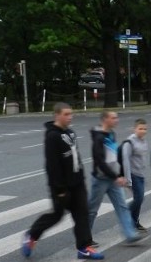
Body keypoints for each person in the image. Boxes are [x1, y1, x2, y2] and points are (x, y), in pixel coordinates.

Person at [21, 102, 104, 260]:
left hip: (77, 183)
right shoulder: (52, 136)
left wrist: (81, 178)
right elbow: (52, 165)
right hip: (61, 187)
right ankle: (32, 235)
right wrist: (60, 190)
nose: (69, 117)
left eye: (71, 114)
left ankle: (84, 247)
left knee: (82, 214)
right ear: (57, 115)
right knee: (57, 216)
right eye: (66, 114)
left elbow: (76, 157)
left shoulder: (71, 133)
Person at [88, 110, 148, 245]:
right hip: (100, 179)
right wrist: (115, 176)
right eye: (113, 118)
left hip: (113, 179)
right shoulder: (99, 137)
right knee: (92, 210)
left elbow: (115, 157)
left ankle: (130, 234)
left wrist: (120, 174)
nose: (117, 120)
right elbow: (99, 161)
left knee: (122, 207)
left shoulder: (111, 134)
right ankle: (84, 238)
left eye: (116, 117)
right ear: (105, 120)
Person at [121, 118, 149, 231]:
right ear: (134, 129)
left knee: (140, 198)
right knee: (139, 198)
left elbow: (142, 157)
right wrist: (128, 179)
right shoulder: (129, 142)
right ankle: (126, 216)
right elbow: (125, 160)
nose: (143, 131)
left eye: (145, 129)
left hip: (140, 174)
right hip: (133, 174)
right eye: (140, 128)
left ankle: (135, 221)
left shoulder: (143, 141)